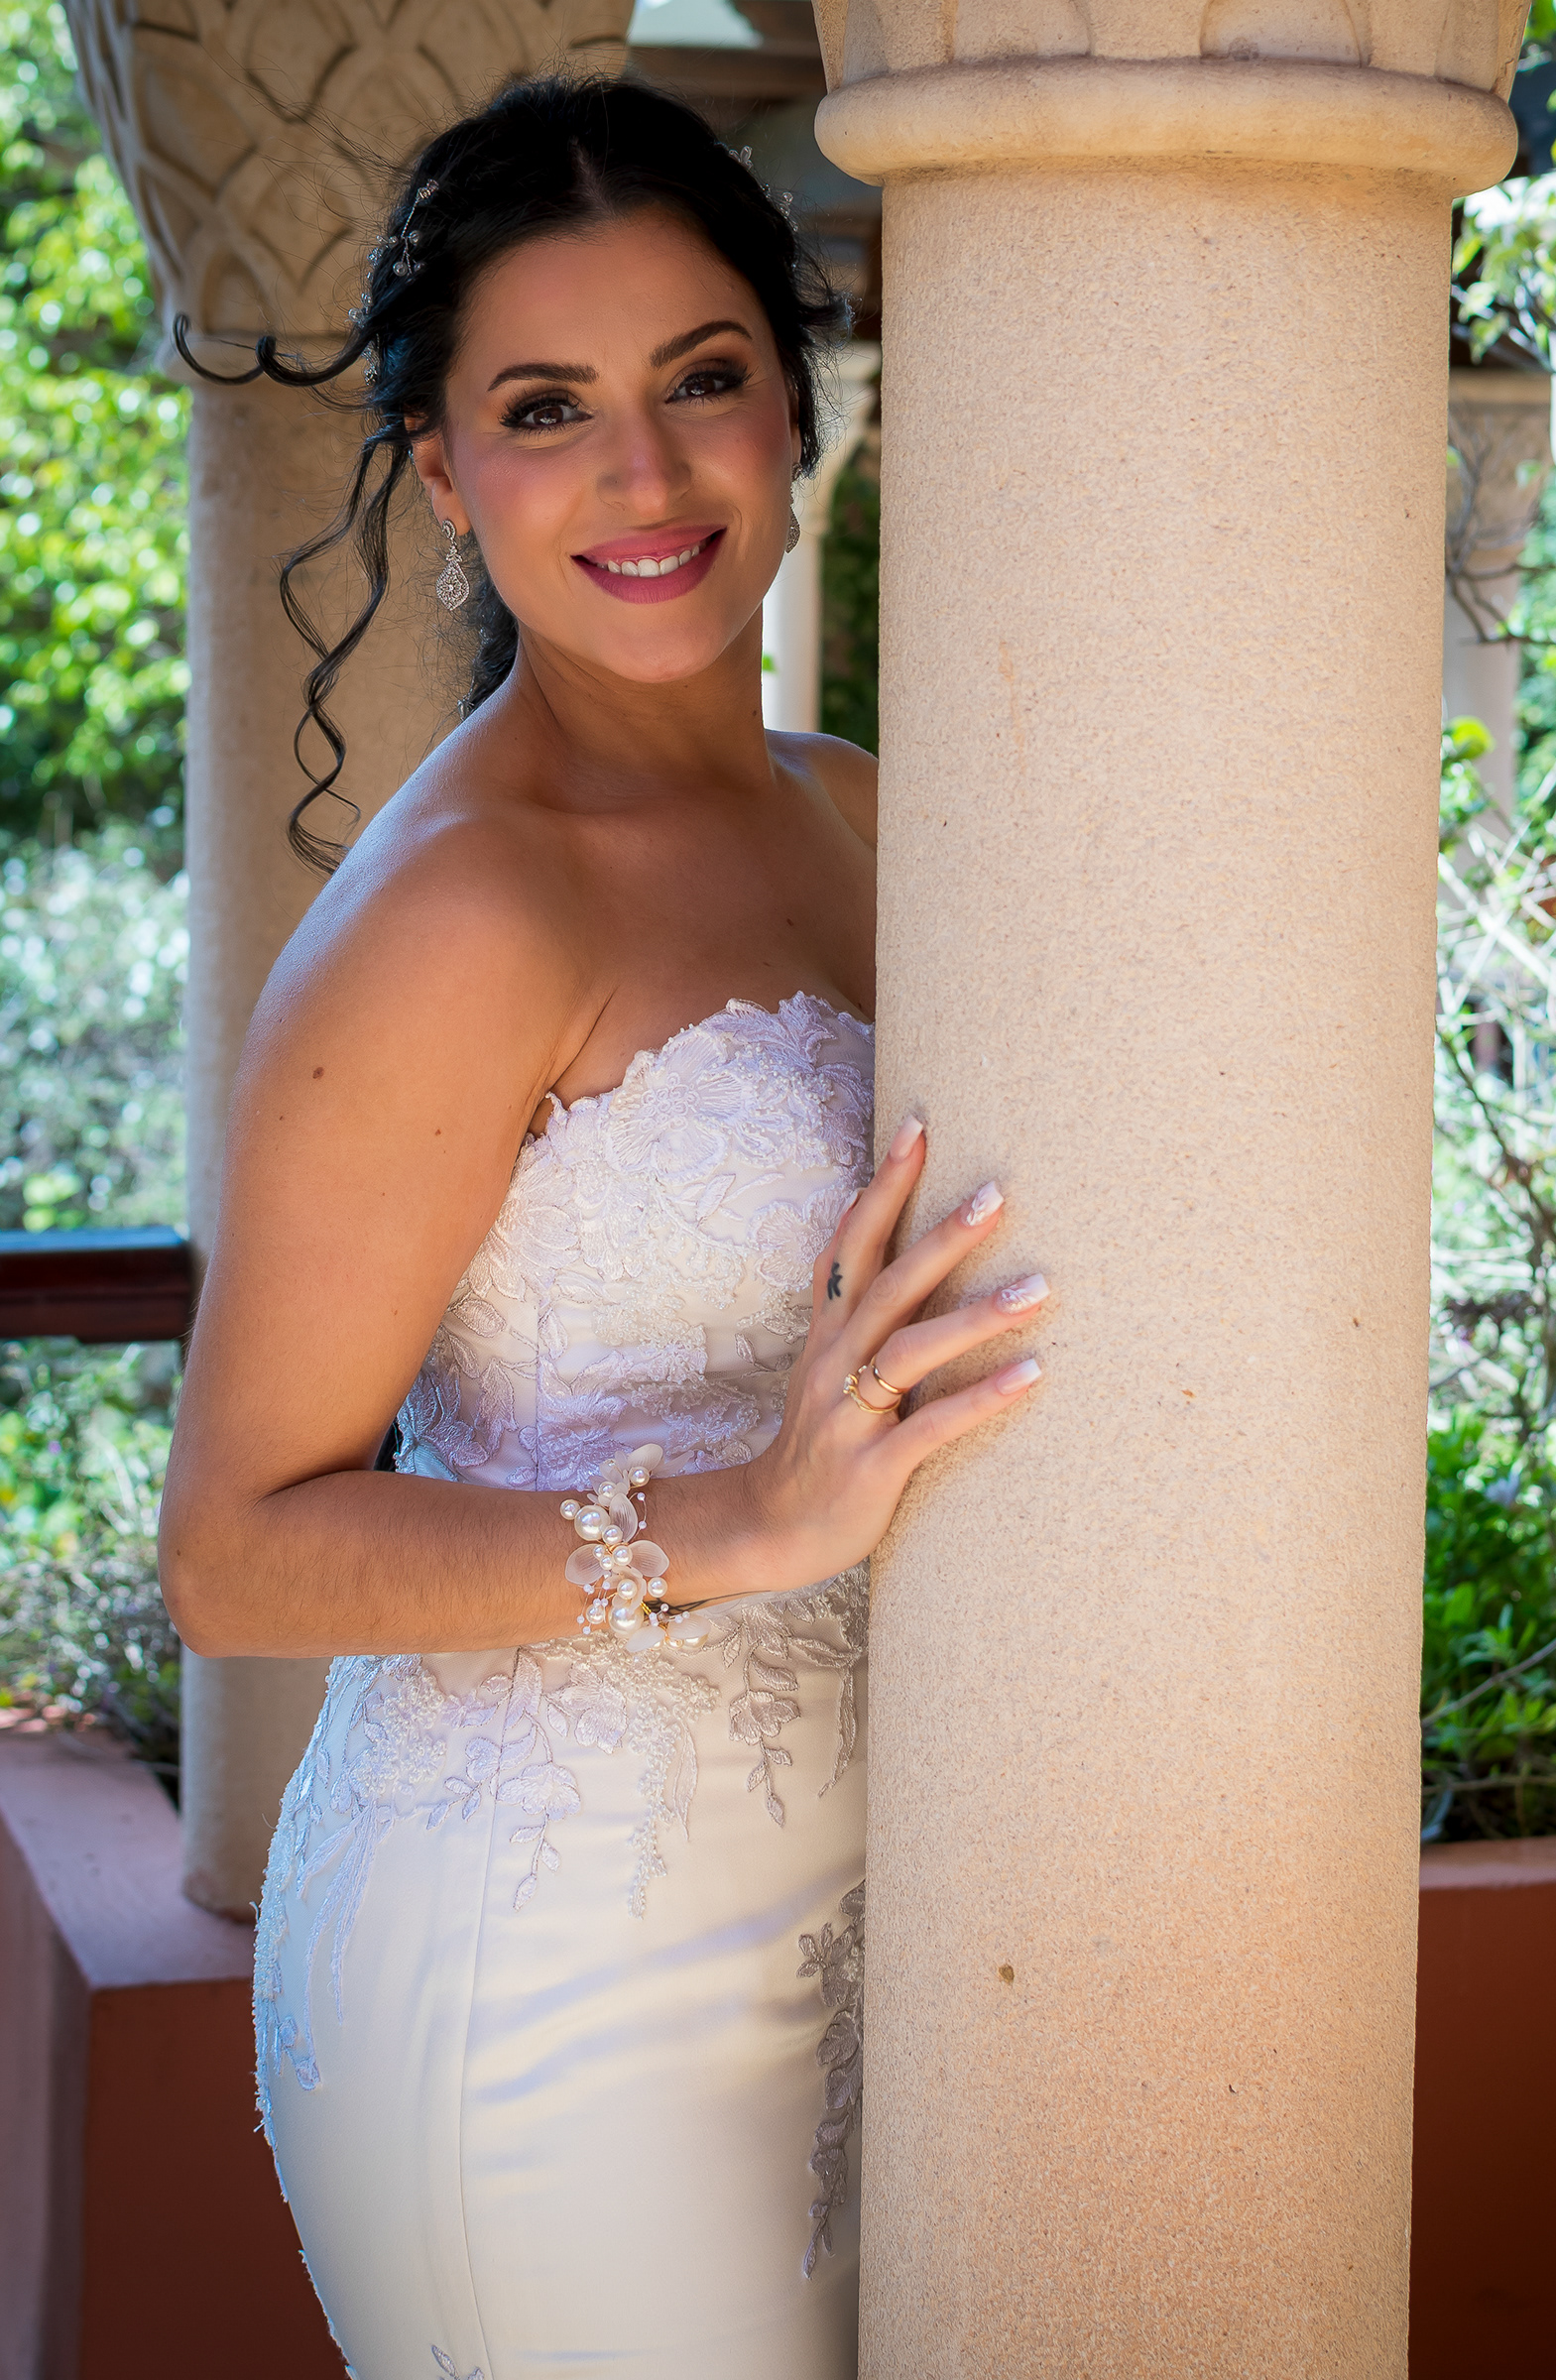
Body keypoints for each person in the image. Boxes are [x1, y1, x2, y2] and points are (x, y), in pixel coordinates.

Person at [159, 73, 1047, 2380]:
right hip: (551, 1973)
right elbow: (236, 1554)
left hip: (862, 1915)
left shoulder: (865, 817)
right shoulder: (462, 913)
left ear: (795, 408)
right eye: (546, 410)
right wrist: (752, 1518)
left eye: (701, 380)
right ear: (449, 477)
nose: (643, 477)